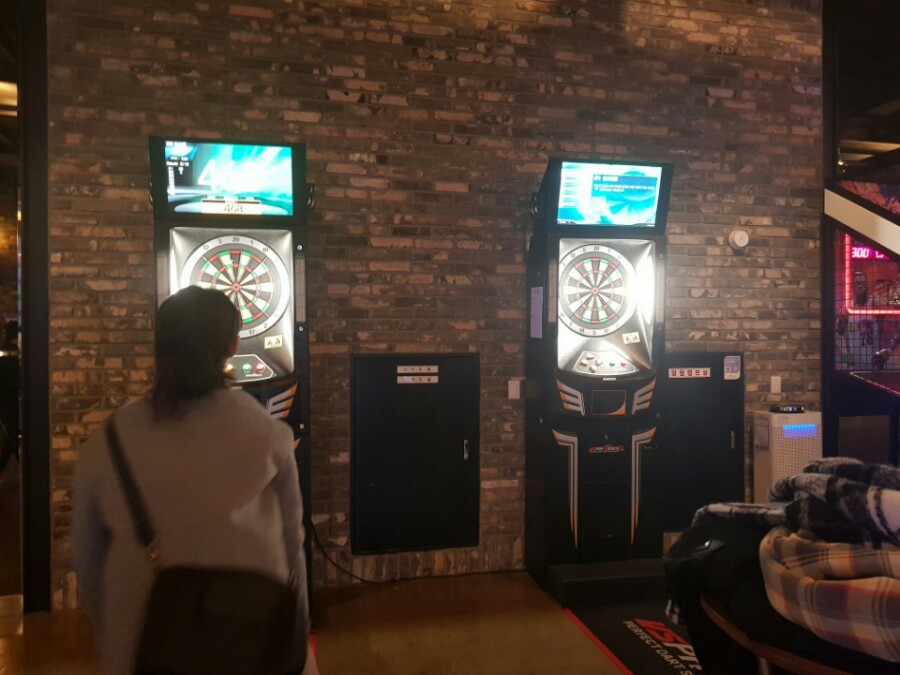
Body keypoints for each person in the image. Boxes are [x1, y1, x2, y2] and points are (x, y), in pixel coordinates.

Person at [73, 286, 314, 674]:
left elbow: (87, 558)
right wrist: (298, 627)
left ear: (159, 345)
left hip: (143, 645)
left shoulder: (107, 442)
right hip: (251, 637)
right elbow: (292, 549)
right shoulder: (271, 436)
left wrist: (114, 634)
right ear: (233, 345)